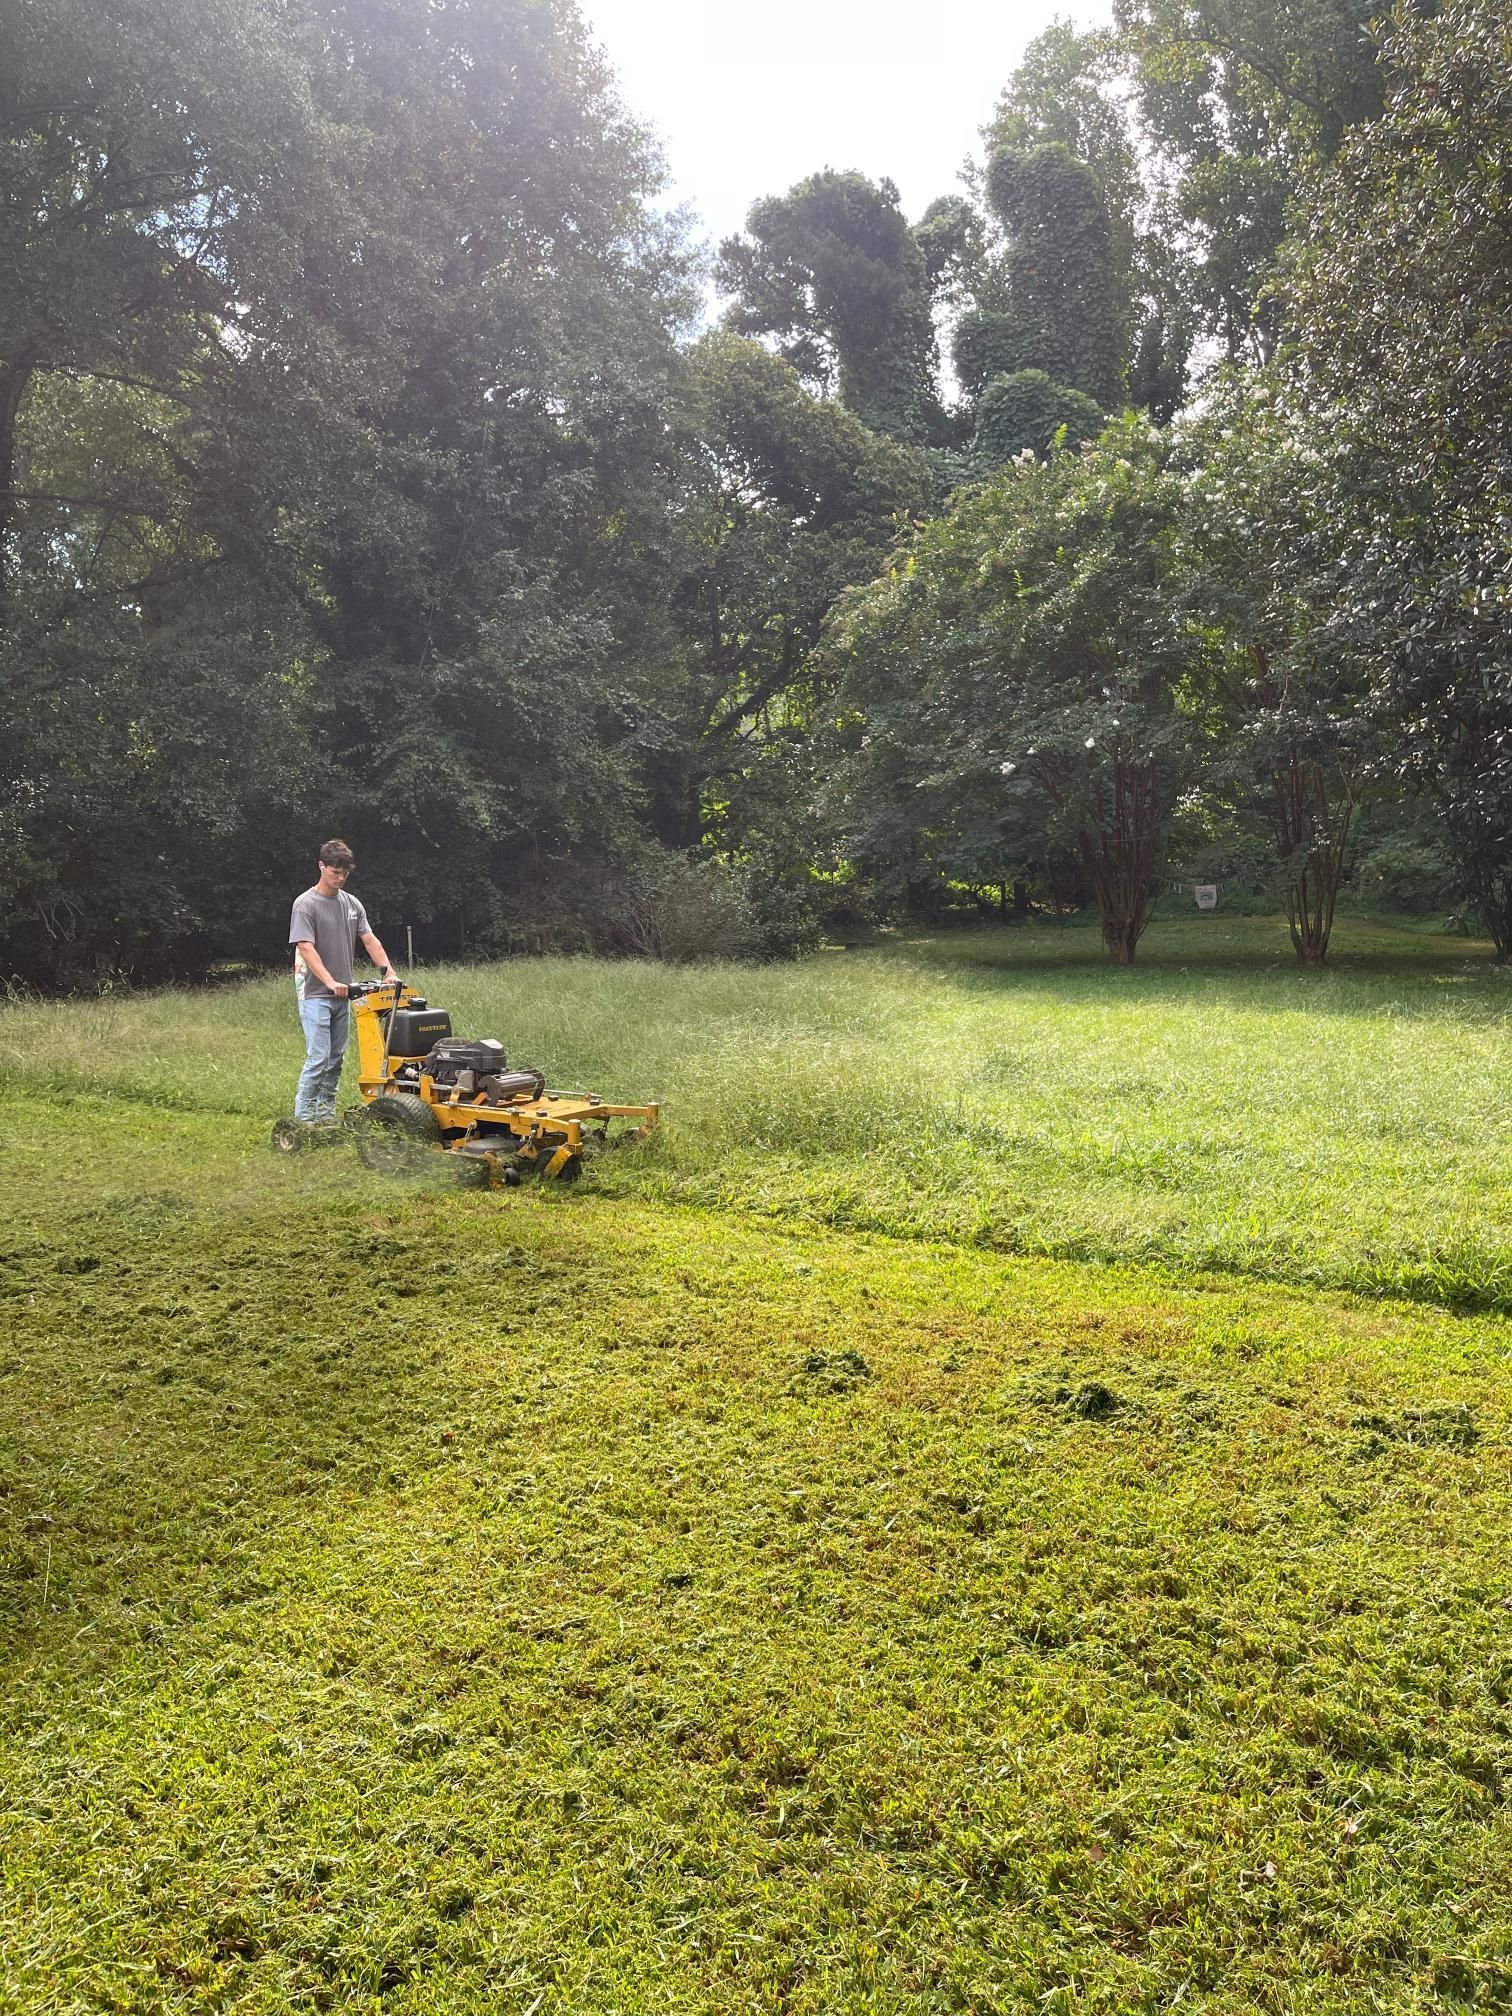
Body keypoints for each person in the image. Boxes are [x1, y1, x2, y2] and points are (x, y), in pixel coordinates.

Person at [289, 839, 397, 1123]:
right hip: (315, 993)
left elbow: (369, 939)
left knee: (336, 1059)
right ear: (321, 866)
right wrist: (328, 981)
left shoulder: (352, 904)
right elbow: (306, 947)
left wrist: (388, 971)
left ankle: (325, 1116)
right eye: (335, 871)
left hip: (344, 994)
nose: (340, 877)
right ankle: (303, 1120)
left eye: (345, 873)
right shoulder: (305, 904)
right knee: (318, 1058)